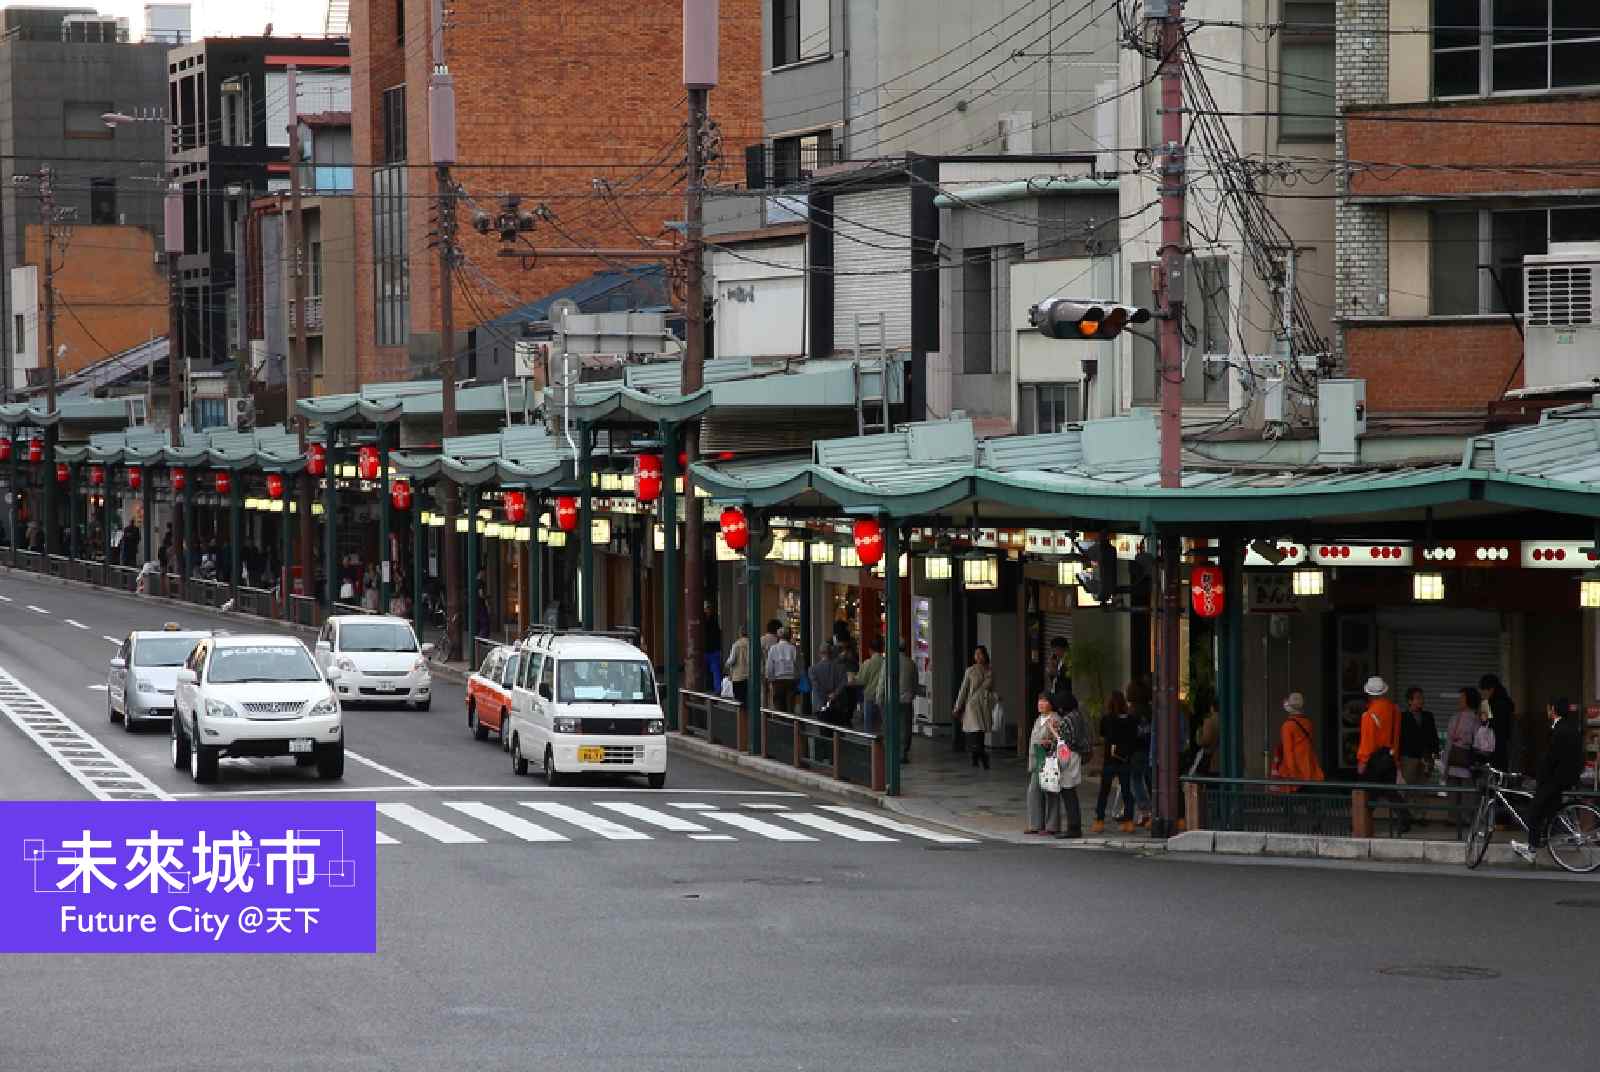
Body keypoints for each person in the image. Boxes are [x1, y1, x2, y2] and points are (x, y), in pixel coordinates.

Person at [1513, 697, 1584, 863]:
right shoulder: (1571, 727)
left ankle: (1531, 849)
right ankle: (1547, 836)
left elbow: (1552, 758)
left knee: (1534, 810)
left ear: (1552, 710)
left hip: (1555, 778)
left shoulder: (1559, 729)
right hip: (1566, 777)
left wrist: (1539, 776)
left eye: (1548, 708)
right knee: (1551, 809)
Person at [1358, 675, 1409, 834]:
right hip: (1390, 756)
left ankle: (1359, 823)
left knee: (1368, 792)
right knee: (1390, 791)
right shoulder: (1395, 709)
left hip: (1374, 758)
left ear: (1369, 694)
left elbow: (1368, 741)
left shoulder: (1369, 714)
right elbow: (1396, 735)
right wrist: (1396, 757)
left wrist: (1362, 760)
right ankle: (1405, 819)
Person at [1025, 695, 1065, 837]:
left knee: (1051, 791)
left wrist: (1050, 743)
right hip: (1038, 760)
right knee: (1034, 791)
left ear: (1051, 704)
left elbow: (1061, 740)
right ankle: (1035, 824)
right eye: (1039, 700)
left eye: (1045, 701)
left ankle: (1052, 826)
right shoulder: (1038, 719)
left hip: (1049, 760)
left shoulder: (1055, 719)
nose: (1041, 703)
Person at [953, 645, 997, 769]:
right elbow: (963, 690)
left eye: (980, 654)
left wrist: (996, 698)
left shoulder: (990, 671)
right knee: (976, 731)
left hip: (985, 704)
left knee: (980, 733)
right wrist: (958, 706)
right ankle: (982, 756)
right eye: (975, 654)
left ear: (985, 655)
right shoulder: (970, 670)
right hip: (973, 705)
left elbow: (992, 689)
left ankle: (976, 757)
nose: (977, 656)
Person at [1272, 693, 1324, 789]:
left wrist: (1292, 774)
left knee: (1294, 802)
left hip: (1296, 772)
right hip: (1310, 769)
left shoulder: (1287, 726)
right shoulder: (1308, 723)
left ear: (1290, 707)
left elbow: (1288, 752)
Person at [1056, 692, 1090, 838]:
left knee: (1068, 792)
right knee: (1072, 792)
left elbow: (1063, 744)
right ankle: (1074, 826)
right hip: (1077, 754)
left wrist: (1059, 763)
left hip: (1068, 755)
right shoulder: (1079, 716)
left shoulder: (1066, 721)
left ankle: (1073, 827)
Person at [1399, 686, 1439, 791]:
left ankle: (1418, 807)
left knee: (1421, 789)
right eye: (1418, 698)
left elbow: (1433, 736)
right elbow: (1399, 739)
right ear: (1410, 701)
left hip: (1425, 758)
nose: (1421, 700)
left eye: (1422, 697)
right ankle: (1405, 808)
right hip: (1408, 758)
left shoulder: (1428, 716)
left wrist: (1435, 754)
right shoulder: (1402, 717)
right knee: (1406, 788)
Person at [1444, 687, 1483, 788]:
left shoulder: (1455, 718)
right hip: (1468, 767)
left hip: (1453, 766)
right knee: (1468, 799)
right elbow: (1480, 745)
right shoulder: (1477, 719)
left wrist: (1445, 768)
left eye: (1462, 698)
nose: (1459, 700)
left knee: (1453, 801)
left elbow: (1448, 744)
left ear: (1469, 700)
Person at [1127, 680, 1153, 826]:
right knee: (1149, 779)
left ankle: (1144, 810)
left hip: (1136, 750)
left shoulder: (1132, 711)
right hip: (1148, 748)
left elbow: (1131, 733)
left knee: (1135, 780)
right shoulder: (1149, 710)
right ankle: (1153, 809)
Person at [808, 643, 851, 725]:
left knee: (824, 732)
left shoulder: (812, 669)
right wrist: (835, 694)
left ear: (820, 654)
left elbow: (816, 687)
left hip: (822, 705)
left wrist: (826, 696)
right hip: (839, 704)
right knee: (838, 732)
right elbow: (844, 682)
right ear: (831, 653)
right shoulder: (841, 667)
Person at [1479, 673, 1515, 772]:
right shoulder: (1506, 702)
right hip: (1502, 747)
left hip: (1493, 747)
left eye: (1483, 690)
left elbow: (1485, 723)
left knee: (1494, 775)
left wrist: (1484, 706)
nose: (1482, 694)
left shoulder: (1491, 704)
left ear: (1491, 689)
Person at [855, 636, 887, 734]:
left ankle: (871, 747)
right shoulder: (886, 662)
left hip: (869, 697)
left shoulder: (867, 663)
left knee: (869, 729)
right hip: (883, 697)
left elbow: (861, 680)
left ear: (870, 650)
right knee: (882, 725)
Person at [764, 626, 799, 712]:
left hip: (778, 681)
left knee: (779, 706)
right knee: (790, 705)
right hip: (791, 680)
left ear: (779, 636)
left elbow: (769, 666)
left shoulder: (773, 649)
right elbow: (798, 665)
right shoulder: (793, 648)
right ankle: (791, 723)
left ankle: (781, 724)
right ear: (789, 636)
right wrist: (797, 678)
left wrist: (770, 679)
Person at [725, 627, 751, 704]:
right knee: (748, 701)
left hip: (738, 677)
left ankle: (742, 716)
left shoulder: (736, 644)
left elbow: (732, 660)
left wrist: (726, 664)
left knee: (739, 702)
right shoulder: (752, 644)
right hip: (749, 676)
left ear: (740, 633)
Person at [1045, 637, 1072, 712]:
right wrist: (1052, 671)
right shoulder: (1059, 660)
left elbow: (1068, 677)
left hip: (1064, 695)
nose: (1054, 653)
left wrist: (1056, 673)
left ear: (1061, 648)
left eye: (1055, 650)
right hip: (1057, 693)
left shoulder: (1069, 661)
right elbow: (1054, 679)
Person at [703, 601, 723, 692]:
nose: (707, 611)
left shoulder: (712, 621)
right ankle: (712, 688)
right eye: (706, 609)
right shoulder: (712, 620)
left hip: (712, 650)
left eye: (708, 609)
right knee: (713, 671)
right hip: (709, 650)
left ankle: (717, 689)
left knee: (715, 671)